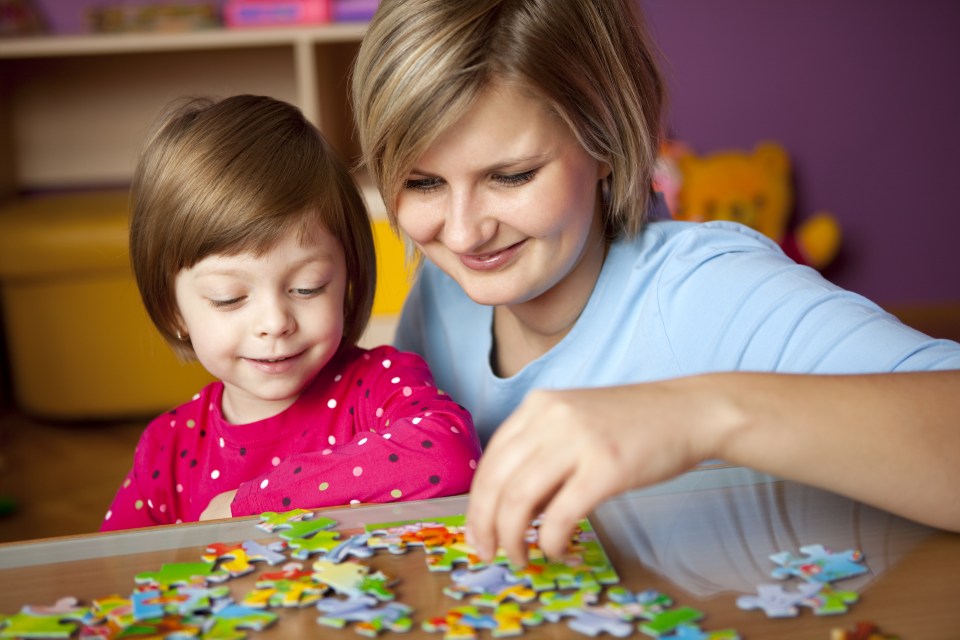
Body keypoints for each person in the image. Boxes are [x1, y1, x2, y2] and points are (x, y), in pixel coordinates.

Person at [351, 0, 960, 565]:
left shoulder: (708, 290)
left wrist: (698, 414)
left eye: (511, 176)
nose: (461, 235)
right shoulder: (442, 292)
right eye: (423, 182)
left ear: (606, 139)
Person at [101, 95, 481, 532]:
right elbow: (111, 568)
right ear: (173, 311)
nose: (275, 322)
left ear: (347, 281)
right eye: (228, 297)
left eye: (307, 287)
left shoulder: (379, 386)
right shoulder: (167, 448)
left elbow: (448, 454)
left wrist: (258, 500)